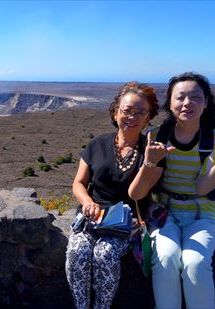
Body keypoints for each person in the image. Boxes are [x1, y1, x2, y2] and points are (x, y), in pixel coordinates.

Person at [128, 72, 215, 308]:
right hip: (165, 213)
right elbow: (141, 190)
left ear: (206, 102)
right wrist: (151, 160)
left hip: (201, 214)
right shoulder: (159, 137)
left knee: (195, 262)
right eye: (180, 97)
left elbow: (203, 187)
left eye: (195, 97)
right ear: (170, 103)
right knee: (165, 257)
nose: (187, 103)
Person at [65, 81, 159, 309]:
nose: (132, 117)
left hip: (127, 223)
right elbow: (78, 182)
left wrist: (149, 161)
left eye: (140, 112)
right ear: (116, 111)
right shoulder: (97, 145)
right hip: (92, 217)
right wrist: (87, 201)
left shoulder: (152, 151)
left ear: (148, 118)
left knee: (105, 253)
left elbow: (141, 192)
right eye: (127, 110)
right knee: (78, 250)